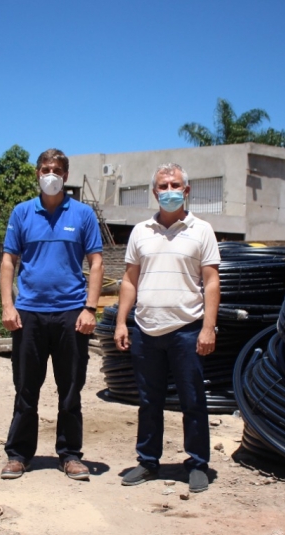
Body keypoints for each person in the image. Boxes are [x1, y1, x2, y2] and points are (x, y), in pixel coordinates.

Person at [114, 163, 221, 493]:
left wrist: (208, 328)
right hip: (146, 330)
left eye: (175, 184)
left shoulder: (201, 230)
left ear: (186, 191)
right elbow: (130, 280)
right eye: (163, 185)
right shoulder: (140, 232)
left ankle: (198, 463)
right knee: (149, 401)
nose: (169, 190)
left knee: (192, 400)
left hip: (187, 330)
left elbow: (212, 281)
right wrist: (121, 321)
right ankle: (148, 461)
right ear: (154, 191)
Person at [0, 148, 104, 481]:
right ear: (37, 173)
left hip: (71, 314)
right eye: (46, 168)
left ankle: (70, 455)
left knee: (70, 389)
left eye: (57, 169)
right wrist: (7, 305)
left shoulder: (83, 215)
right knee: (26, 388)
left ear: (66, 176)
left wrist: (90, 308)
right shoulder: (21, 213)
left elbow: (97, 263)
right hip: (29, 313)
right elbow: (8, 261)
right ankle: (18, 455)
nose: (51, 174)